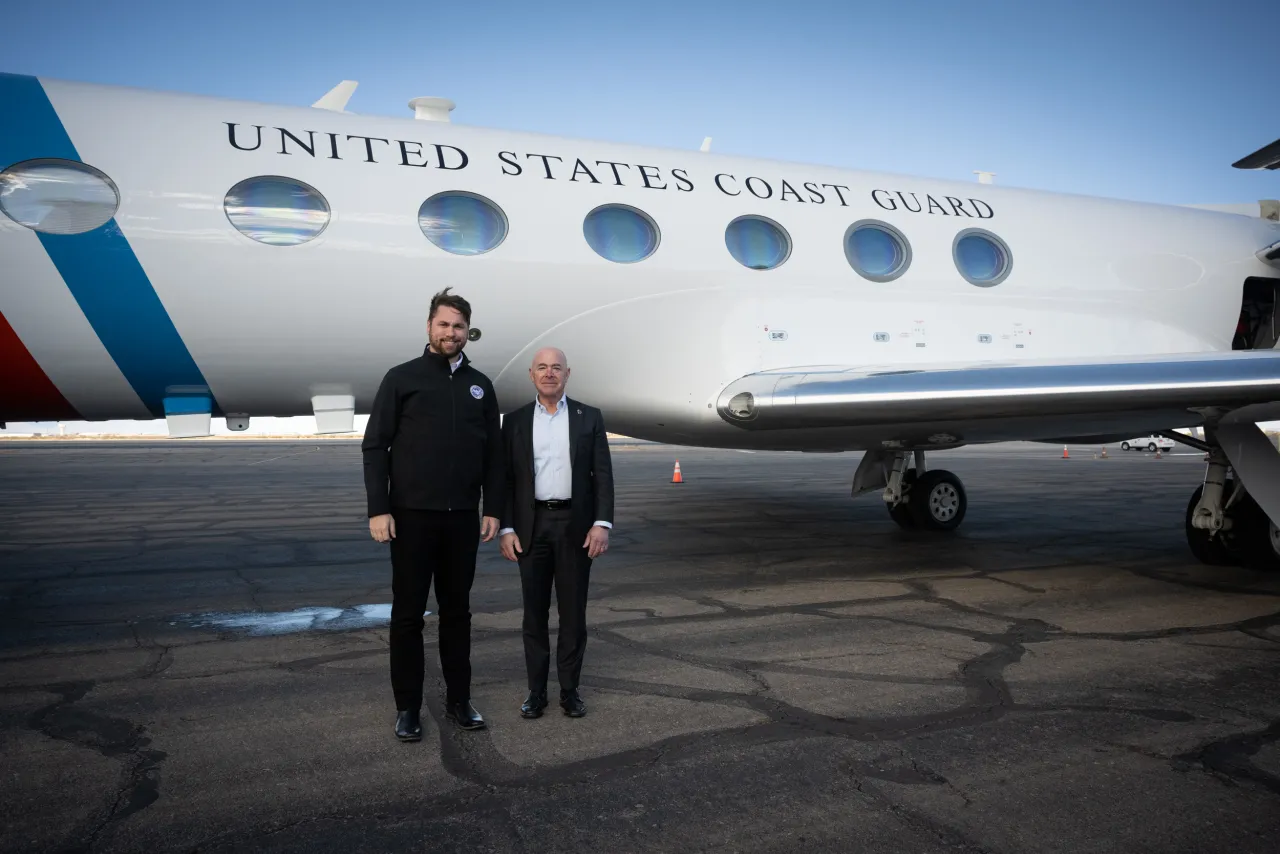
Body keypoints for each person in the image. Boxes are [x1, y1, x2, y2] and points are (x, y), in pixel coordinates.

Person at [362, 288, 503, 740]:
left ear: (468, 332)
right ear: (429, 327)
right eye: (443, 325)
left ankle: (460, 700)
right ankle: (407, 707)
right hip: (410, 518)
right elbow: (375, 446)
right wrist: (378, 508)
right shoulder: (401, 378)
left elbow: (494, 455)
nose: (451, 333)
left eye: (459, 326)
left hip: (461, 518)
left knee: (457, 613)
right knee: (407, 615)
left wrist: (493, 508)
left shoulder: (480, 385)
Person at [499, 347, 614, 719]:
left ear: (568, 374)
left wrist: (602, 523)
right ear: (531, 375)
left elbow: (603, 477)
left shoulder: (588, 418)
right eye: (542, 368)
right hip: (531, 529)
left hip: (575, 528)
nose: (550, 374)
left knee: (572, 614)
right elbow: (505, 481)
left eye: (557, 368)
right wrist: (507, 527)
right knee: (533, 615)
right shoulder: (514, 422)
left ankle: (569, 691)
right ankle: (536, 692)